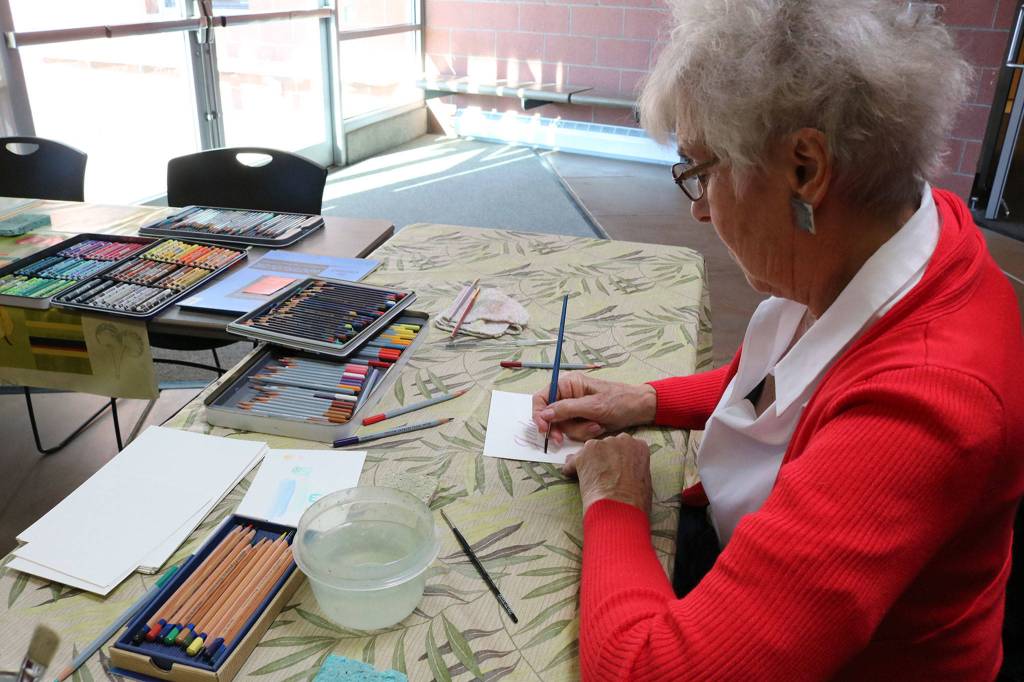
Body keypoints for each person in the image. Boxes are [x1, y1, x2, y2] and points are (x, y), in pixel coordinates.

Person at [532, 0, 1024, 678]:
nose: (700, 210)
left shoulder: (924, 410)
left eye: (701, 170)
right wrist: (644, 398)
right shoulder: (904, 228)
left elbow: (651, 672)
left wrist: (617, 498)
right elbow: (783, 379)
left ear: (804, 169)